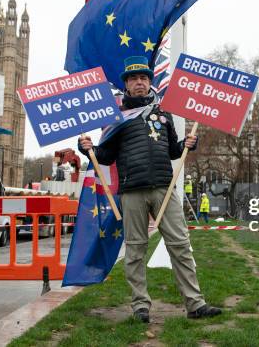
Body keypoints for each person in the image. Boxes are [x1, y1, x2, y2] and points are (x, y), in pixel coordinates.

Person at [78, 56, 222, 323]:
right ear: (126, 86)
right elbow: (105, 157)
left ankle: (195, 304)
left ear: (149, 82)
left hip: (164, 189)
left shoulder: (163, 114)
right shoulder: (116, 118)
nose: (139, 83)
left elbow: (173, 152)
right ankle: (140, 306)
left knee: (180, 246)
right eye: (133, 79)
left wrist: (189, 144)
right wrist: (88, 149)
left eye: (143, 78)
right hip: (132, 191)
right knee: (135, 249)